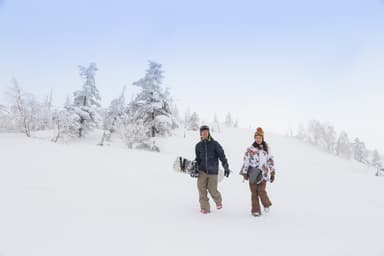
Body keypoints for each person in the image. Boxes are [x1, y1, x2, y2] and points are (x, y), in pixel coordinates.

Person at [240, 127, 276, 217]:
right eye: (256, 137)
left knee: (261, 190)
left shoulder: (266, 149)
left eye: (260, 138)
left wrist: (272, 173)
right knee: (254, 192)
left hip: (263, 174)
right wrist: (245, 172)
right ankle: (255, 210)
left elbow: (270, 161)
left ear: (262, 138)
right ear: (254, 138)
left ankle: (266, 204)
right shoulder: (250, 149)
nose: (258, 139)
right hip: (253, 173)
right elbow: (246, 161)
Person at [195, 125, 231, 214]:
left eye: (206, 132)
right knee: (201, 189)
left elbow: (222, 156)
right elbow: (198, 159)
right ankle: (205, 207)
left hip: (213, 171)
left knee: (212, 189)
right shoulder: (198, 146)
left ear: (208, 133)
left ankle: (218, 201)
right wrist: (194, 165)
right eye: (203, 132)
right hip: (202, 171)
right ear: (200, 134)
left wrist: (226, 166)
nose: (204, 133)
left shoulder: (215, 144)